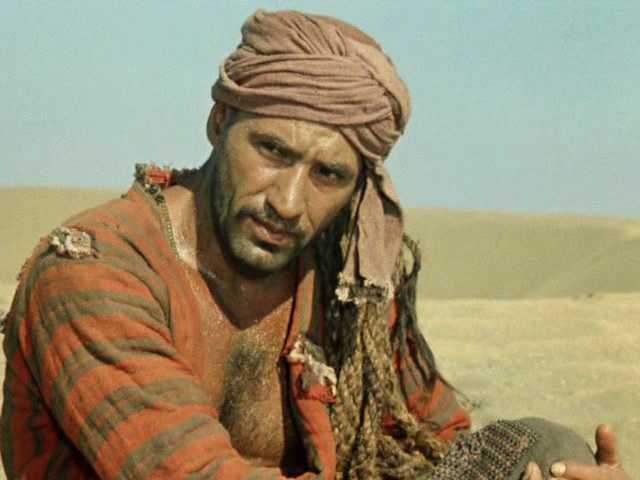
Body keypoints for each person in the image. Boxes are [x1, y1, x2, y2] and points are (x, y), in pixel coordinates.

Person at [0, 9, 629, 480]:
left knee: (545, 449)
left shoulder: (344, 286)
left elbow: (439, 440)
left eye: (328, 174)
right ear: (219, 123)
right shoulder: (94, 274)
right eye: (273, 151)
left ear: (357, 188)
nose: (289, 201)